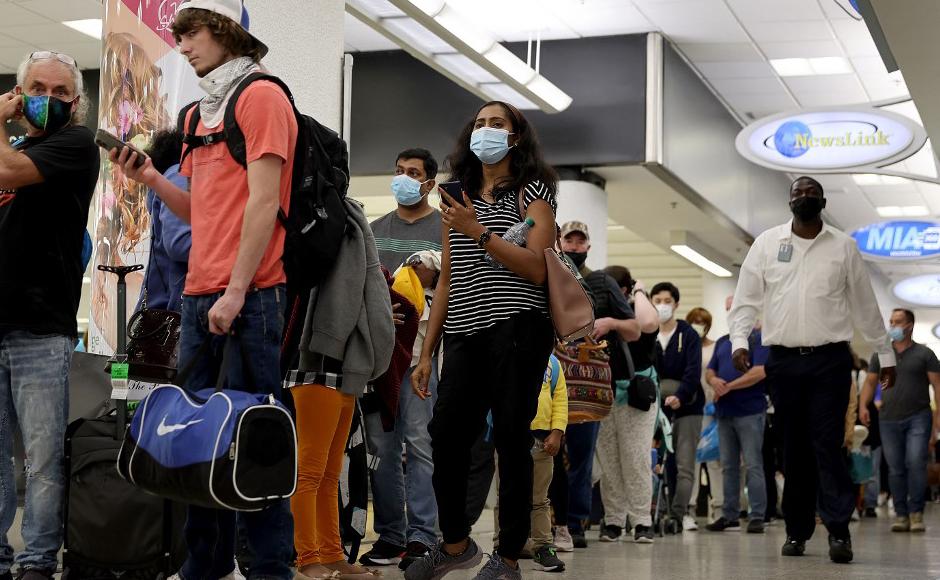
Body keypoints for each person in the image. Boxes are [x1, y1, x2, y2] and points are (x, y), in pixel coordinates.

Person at [113, 2, 297, 578]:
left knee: (255, 437)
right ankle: (206, 561)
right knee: (198, 439)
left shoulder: (262, 97)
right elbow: (201, 209)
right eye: (179, 36)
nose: (183, 46)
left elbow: (265, 203)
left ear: (223, 33)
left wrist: (237, 290)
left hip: (252, 294)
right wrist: (147, 178)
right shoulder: (197, 116)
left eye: (190, 34)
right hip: (199, 294)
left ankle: (269, 566)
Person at [406, 100, 558, 580]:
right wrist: (427, 352)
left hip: (519, 326)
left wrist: (480, 232)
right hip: (464, 332)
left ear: (515, 137)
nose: (486, 130)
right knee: (446, 436)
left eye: (497, 124)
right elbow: (448, 278)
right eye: (479, 123)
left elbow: (537, 266)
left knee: (512, 440)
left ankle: (509, 556)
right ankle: (455, 546)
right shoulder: (455, 193)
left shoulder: (533, 191)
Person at [729, 175, 896, 564]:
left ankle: (839, 531)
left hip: (830, 360)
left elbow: (865, 306)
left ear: (823, 201)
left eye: (811, 193)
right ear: (789, 202)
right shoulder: (768, 244)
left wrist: (885, 355)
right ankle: (797, 531)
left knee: (827, 444)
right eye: (797, 193)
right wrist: (739, 342)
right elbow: (746, 299)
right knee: (794, 448)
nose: (804, 198)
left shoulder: (844, 247)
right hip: (784, 361)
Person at [0, 50, 98, 580]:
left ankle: (37, 561)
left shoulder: (75, 144)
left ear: (76, 102)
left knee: (40, 459)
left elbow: (6, 170)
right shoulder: (13, 144)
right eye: (36, 88)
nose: (49, 99)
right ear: (20, 93)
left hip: (41, 329)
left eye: (60, 92)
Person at [361, 149, 442, 571]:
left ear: (429, 183)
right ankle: (391, 535)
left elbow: (452, 293)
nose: (404, 179)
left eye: (413, 173)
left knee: (421, 444)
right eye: (398, 172)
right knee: (382, 448)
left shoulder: (444, 230)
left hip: (420, 359)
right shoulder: (374, 231)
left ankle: (424, 536)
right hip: (379, 359)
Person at [558, 221, 638, 547]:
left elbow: (633, 328)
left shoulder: (603, 281)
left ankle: (576, 523)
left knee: (581, 457)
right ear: (560, 242)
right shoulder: (547, 275)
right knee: (546, 454)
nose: (575, 246)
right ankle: (550, 523)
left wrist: (610, 322)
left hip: (589, 384)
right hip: (552, 380)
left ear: (588, 246)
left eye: (581, 241)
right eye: (569, 240)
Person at [860, 308, 940, 533]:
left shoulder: (925, 354)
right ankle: (902, 514)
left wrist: (938, 417)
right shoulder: (882, 354)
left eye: (897, 322)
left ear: (909, 326)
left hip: (918, 416)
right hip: (888, 418)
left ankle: (916, 513)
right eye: (891, 322)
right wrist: (863, 405)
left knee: (915, 463)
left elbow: (937, 386)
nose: (892, 326)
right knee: (895, 468)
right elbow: (873, 383)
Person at [599, 266, 661, 543]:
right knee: (609, 462)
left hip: (638, 396)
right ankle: (613, 520)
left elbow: (648, 324)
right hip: (606, 394)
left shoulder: (637, 311)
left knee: (636, 459)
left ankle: (641, 520)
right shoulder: (598, 311)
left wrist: (639, 291)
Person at [493, 355, 567, 573]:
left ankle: (543, 547)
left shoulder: (553, 364)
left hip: (542, 442)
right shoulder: (504, 357)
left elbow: (561, 399)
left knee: (539, 498)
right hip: (509, 437)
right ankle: (503, 545)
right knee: (505, 496)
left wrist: (557, 432)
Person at [704, 298, 769, 534]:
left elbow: (760, 371)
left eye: (736, 308)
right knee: (728, 466)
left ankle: (757, 515)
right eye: (729, 309)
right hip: (725, 412)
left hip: (750, 411)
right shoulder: (723, 341)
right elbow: (711, 369)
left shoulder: (760, 339)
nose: (732, 313)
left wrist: (729, 386)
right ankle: (730, 515)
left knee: (753, 464)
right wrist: (714, 381)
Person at [651, 282, 703, 532]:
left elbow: (693, 372)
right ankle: (658, 509)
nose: (662, 305)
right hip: (656, 408)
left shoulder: (688, 335)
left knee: (684, 463)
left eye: (667, 301)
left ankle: (678, 514)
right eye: (657, 300)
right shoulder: (648, 333)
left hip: (688, 407)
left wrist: (680, 395)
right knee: (661, 463)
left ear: (676, 304)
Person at [136, 129, 190, 312]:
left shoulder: (168, 176)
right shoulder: (178, 174)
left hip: (159, 309)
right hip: (173, 309)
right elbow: (179, 244)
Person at [686, 306, 723, 519]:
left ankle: (719, 507)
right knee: (692, 459)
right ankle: (689, 507)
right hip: (691, 408)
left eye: (702, 322)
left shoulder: (716, 347)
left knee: (714, 459)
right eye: (695, 321)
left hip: (712, 409)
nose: (698, 325)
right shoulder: (687, 346)